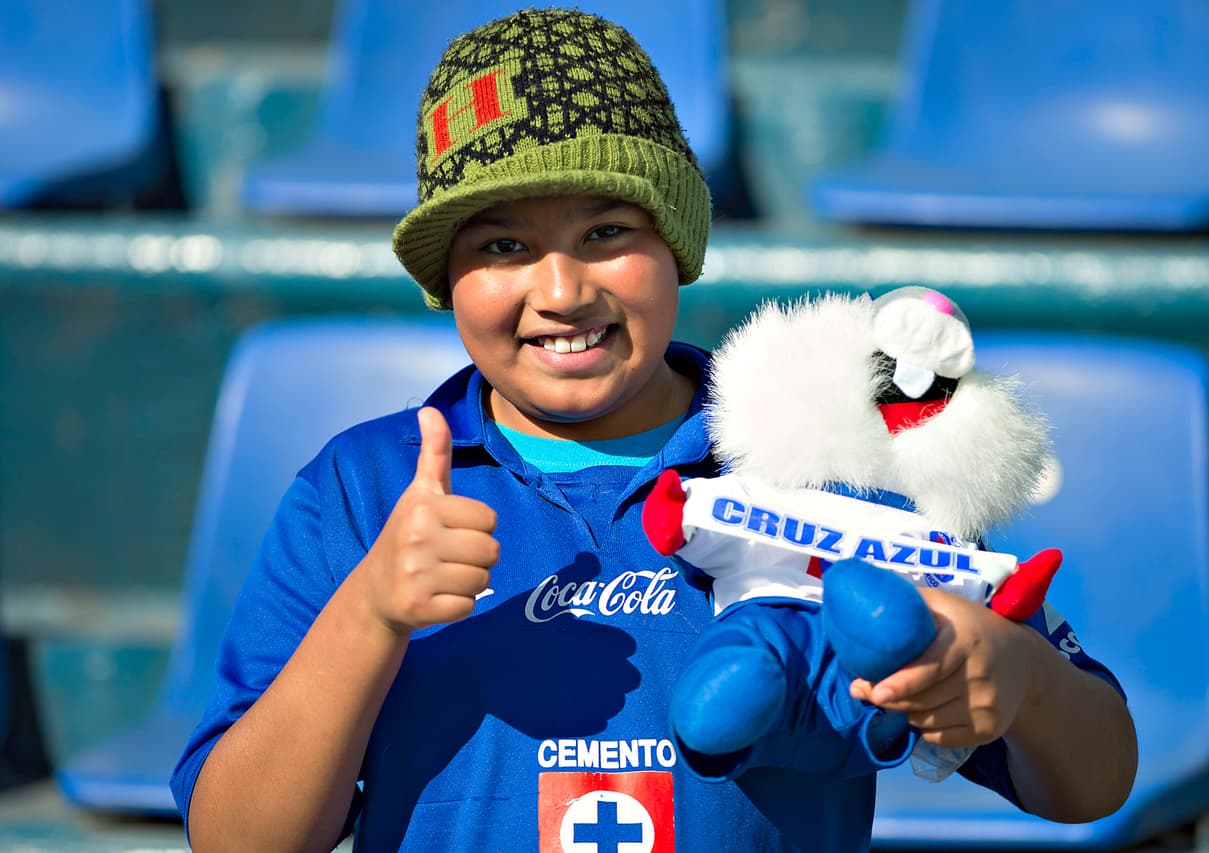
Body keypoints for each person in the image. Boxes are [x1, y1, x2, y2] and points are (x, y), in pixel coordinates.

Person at [170, 8, 1137, 852]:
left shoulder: (824, 455)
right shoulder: (365, 487)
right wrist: (371, 611)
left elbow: (1096, 778)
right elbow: (238, 837)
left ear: (677, 242)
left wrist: (1017, 677)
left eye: (607, 233)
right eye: (502, 245)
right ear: (445, 278)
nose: (561, 290)